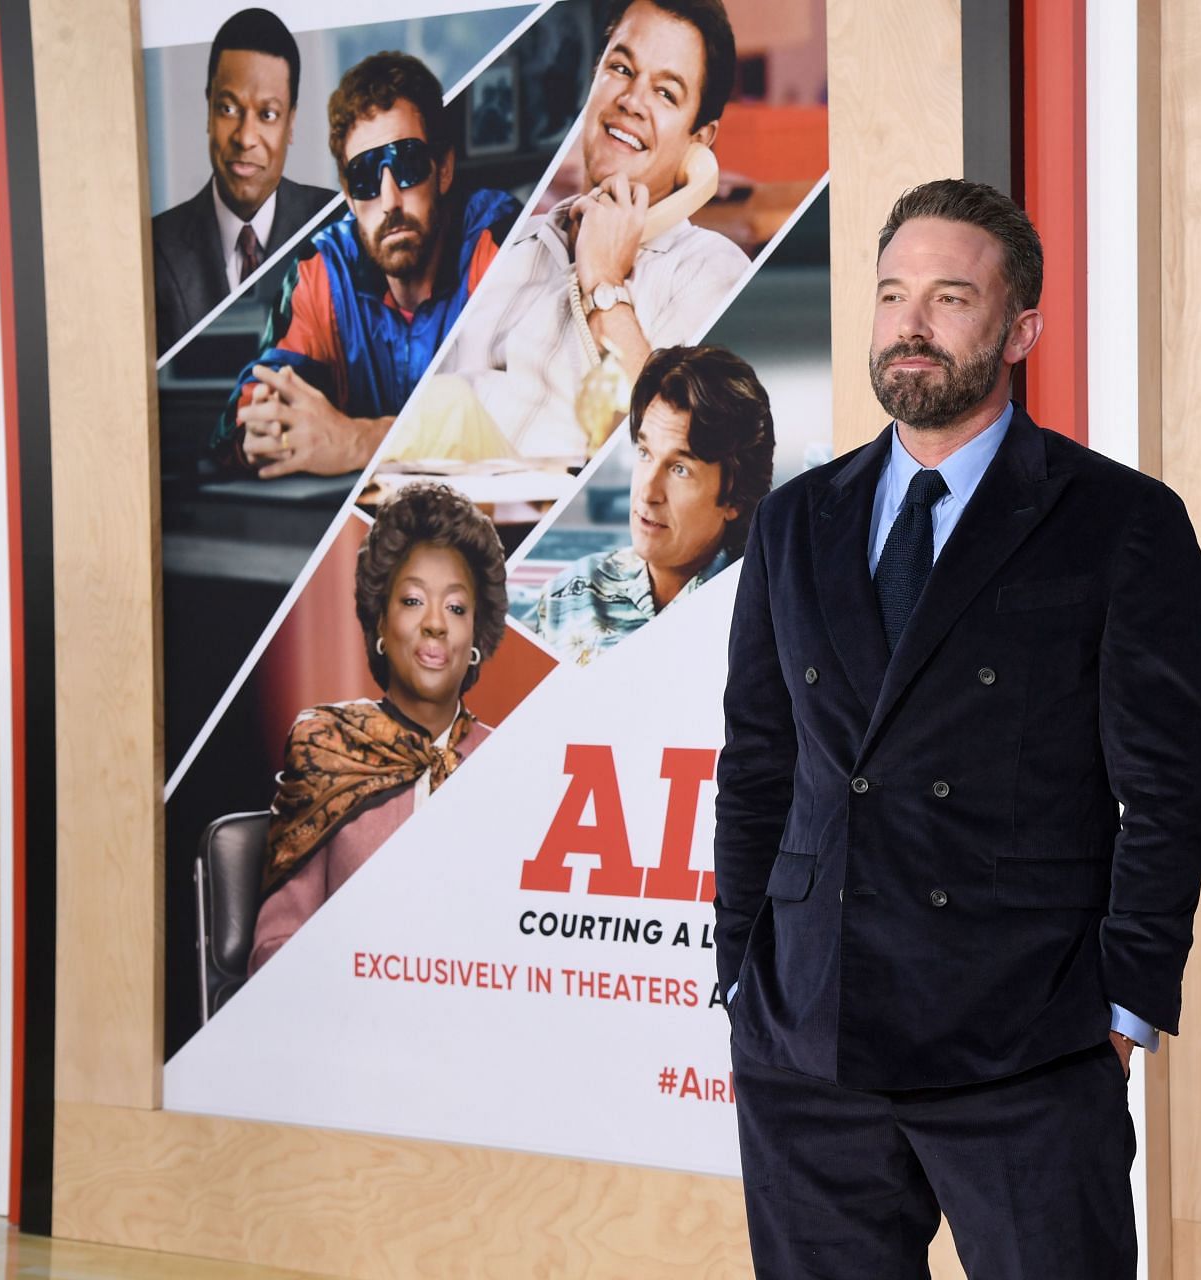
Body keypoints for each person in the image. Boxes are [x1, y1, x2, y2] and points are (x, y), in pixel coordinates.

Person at [712, 179, 1201, 1277]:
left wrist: (1127, 1004)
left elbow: (1169, 786)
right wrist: (738, 968)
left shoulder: (1119, 522)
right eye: (894, 293)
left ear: (1019, 328)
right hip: (810, 1039)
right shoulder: (797, 518)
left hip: (1024, 1043)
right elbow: (759, 757)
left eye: (950, 296)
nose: (911, 323)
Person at [441, 0, 751, 457]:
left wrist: (605, 284)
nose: (631, 101)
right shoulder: (505, 247)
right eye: (622, 69)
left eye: (666, 93)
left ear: (699, 141)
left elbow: (669, 447)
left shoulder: (711, 274)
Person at [210, 52, 522, 477]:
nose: (390, 200)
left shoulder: (498, 242)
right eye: (365, 177)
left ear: (443, 169)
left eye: (408, 165)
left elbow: (531, 420)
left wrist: (361, 440)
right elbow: (240, 419)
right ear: (349, 197)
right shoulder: (321, 272)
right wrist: (262, 426)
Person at [248, 483, 509, 973]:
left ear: (475, 635)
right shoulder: (327, 746)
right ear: (382, 627)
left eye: (456, 608)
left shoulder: (508, 764)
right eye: (412, 601)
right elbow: (275, 947)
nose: (435, 623)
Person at [530, 345, 774, 664]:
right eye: (645, 453)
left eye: (679, 469)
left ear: (735, 498)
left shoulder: (762, 608)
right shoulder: (567, 596)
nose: (647, 493)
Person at [151, 9, 338, 354]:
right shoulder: (156, 247)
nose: (246, 137)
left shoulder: (337, 224)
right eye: (228, 109)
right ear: (208, 109)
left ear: (291, 123)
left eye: (267, 115)